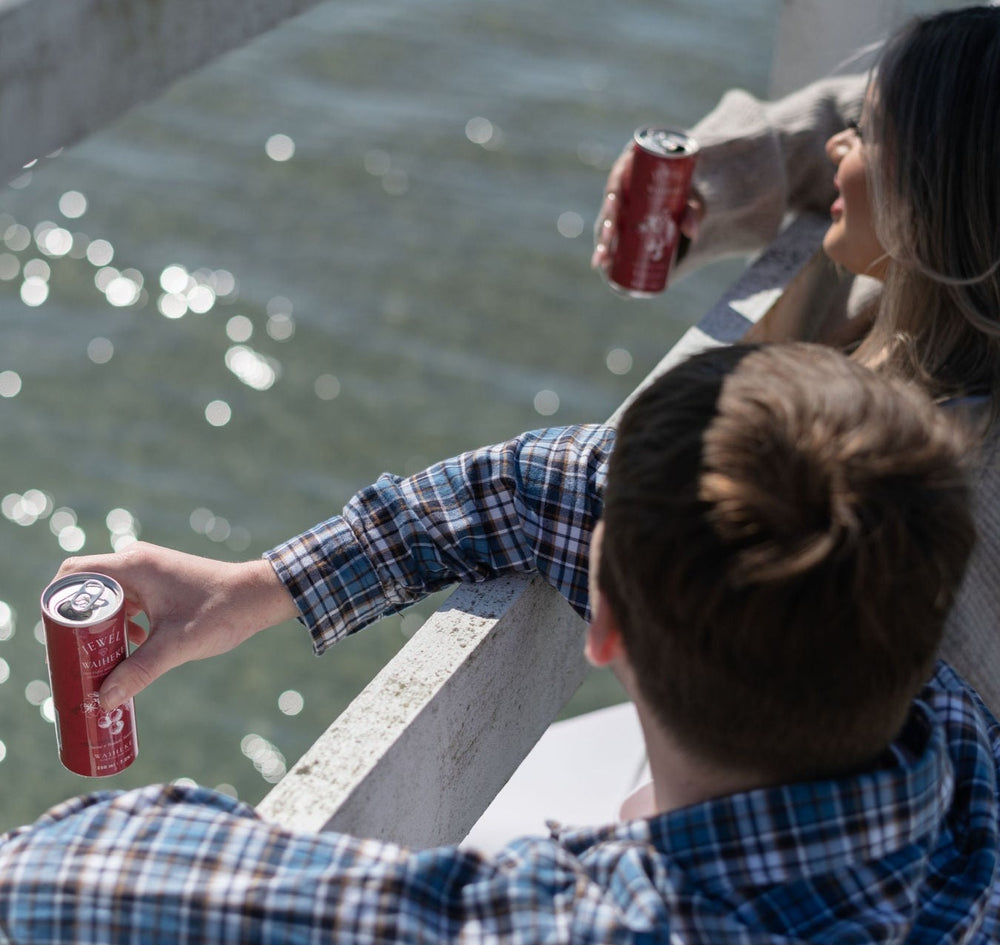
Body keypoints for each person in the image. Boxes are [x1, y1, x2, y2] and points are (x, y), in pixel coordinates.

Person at [63, 5, 1000, 718]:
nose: (836, 139)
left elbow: (545, 488)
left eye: (867, 132)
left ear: (938, 206)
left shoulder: (918, 497)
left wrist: (258, 588)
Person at [9, 342, 999, 945]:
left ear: (600, 621)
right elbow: (546, 488)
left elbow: (63, 882)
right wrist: (266, 585)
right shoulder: (964, 765)